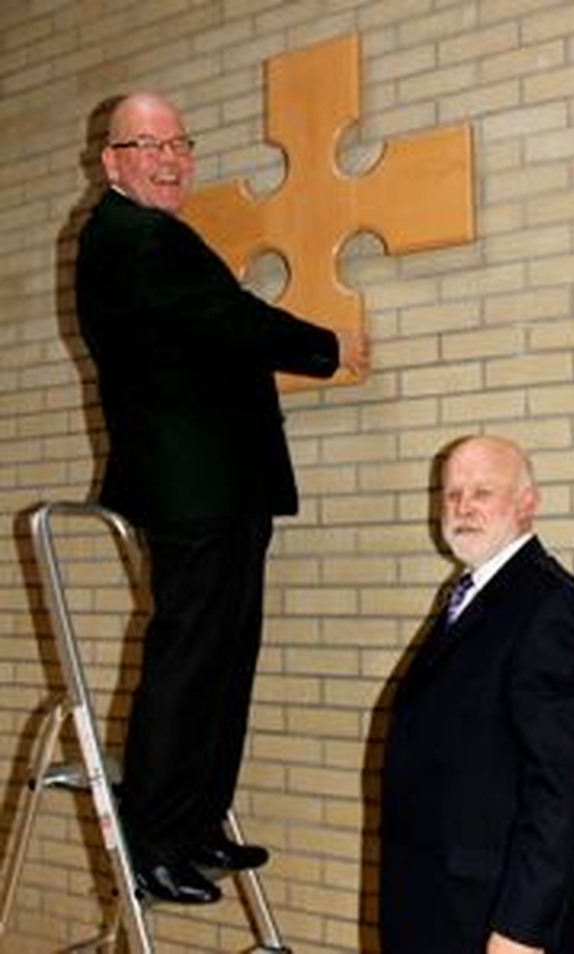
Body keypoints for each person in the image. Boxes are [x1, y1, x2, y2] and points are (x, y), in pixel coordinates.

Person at [75, 92, 369, 905]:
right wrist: (326, 348)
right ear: (113, 162)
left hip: (225, 483)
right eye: (148, 145)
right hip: (189, 484)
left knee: (226, 657)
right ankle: (153, 842)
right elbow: (225, 318)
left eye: (181, 144)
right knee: (190, 659)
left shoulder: (154, 237)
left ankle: (198, 826)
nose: (171, 160)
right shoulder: (133, 237)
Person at [379, 435, 574, 954]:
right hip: (443, 908)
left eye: (482, 492)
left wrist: (521, 932)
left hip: (497, 923)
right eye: (452, 493)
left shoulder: (549, 607)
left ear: (527, 504)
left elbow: (565, 788)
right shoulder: (470, 595)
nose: (462, 507)